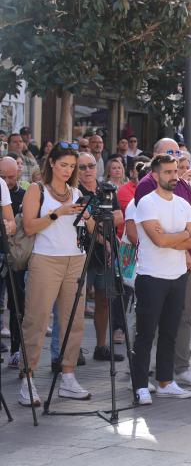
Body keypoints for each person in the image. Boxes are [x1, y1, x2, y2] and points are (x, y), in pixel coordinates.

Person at [20, 142, 92, 406]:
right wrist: (57, 213)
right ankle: (27, 380)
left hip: (75, 259)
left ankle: (69, 377)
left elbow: (90, 226)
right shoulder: (37, 190)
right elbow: (29, 227)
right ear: (51, 163)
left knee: (73, 321)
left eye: (72, 166)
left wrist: (90, 213)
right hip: (45, 259)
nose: (68, 170)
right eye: (63, 165)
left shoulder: (75, 191)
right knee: (37, 321)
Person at [135, 138, 191, 388]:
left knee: (170, 333)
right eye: (168, 172)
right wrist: (181, 237)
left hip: (178, 276)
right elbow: (158, 240)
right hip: (152, 276)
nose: (174, 176)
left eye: (176, 171)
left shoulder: (183, 202)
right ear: (155, 174)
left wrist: (176, 238)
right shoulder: (146, 200)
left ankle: (165, 381)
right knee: (145, 335)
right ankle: (140, 385)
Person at [77, 152, 125, 362]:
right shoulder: (74, 192)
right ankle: (73, 349)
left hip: (105, 252)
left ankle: (101, 346)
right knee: (77, 302)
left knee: (104, 299)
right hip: (80, 251)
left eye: (91, 165)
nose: (87, 170)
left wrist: (96, 221)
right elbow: (85, 225)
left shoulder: (106, 189)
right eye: (82, 167)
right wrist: (101, 228)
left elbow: (119, 216)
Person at [0, 157, 24, 368]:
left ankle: (16, 349)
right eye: (3, 177)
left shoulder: (25, 195)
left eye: (11, 177)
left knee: (15, 303)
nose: (6, 181)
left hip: (14, 256)